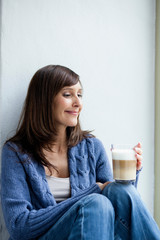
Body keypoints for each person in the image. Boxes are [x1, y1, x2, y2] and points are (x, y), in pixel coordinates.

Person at [1, 65, 160, 240]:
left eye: (80, 94)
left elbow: (117, 207)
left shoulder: (92, 147)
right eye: (68, 95)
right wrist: (90, 193)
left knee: (119, 192)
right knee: (97, 203)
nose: (78, 103)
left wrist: (130, 177)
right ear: (44, 100)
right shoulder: (15, 152)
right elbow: (19, 226)